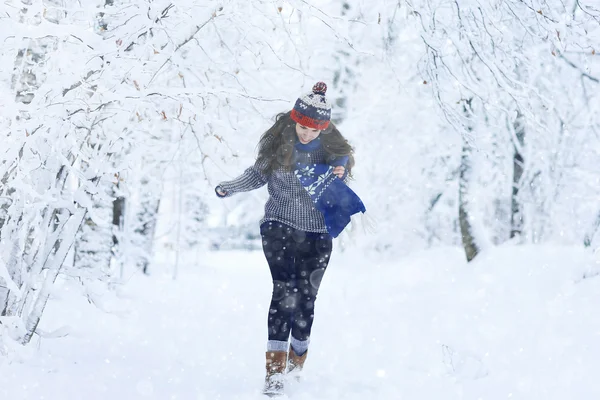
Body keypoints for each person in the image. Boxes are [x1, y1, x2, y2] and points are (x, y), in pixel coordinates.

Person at [215, 82, 365, 396]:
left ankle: (296, 363)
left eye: (313, 129)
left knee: (306, 301)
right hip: (278, 226)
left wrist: (339, 169)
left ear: (322, 128)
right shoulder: (279, 143)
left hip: (317, 232)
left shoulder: (330, 148)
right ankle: (273, 375)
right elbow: (258, 174)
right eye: (302, 126)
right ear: (295, 119)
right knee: (284, 292)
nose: (306, 133)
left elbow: (343, 164)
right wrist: (230, 186)